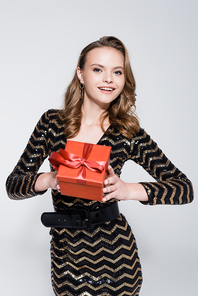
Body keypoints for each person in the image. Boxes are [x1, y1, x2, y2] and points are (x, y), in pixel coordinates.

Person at [6, 36, 194, 296]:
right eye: (98, 69)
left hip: (117, 256)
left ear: (123, 79)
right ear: (80, 74)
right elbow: (13, 186)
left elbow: (184, 189)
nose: (109, 79)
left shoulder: (127, 132)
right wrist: (50, 180)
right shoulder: (52, 123)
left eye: (117, 72)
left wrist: (127, 190)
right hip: (66, 254)